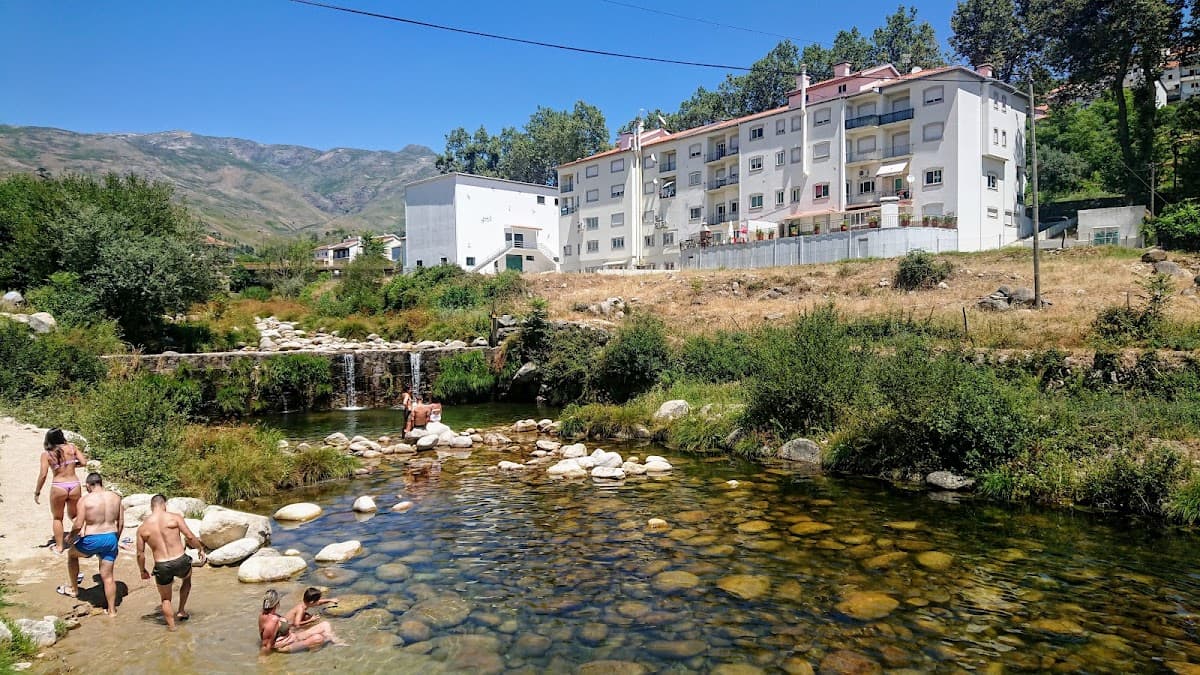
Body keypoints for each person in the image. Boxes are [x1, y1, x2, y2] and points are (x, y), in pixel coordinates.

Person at [137, 494, 206, 630]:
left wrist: (142, 570)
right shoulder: (174, 518)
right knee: (186, 579)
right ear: (164, 505)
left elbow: (140, 554)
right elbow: (190, 536)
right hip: (180, 560)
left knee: (165, 599)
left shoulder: (143, 528)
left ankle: (172, 628)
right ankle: (181, 610)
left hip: (162, 565)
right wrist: (200, 548)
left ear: (152, 507)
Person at [62, 473, 123, 616]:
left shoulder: (85, 500)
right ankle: (112, 611)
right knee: (108, 577)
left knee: (71, 555)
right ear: (101, 483)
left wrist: (71, 537)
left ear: (89, 485)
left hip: (93, 539)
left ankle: (75, 589)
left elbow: (78, 524)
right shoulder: (116, 498)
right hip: (111, 537)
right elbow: (121, 523)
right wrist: (115, 539)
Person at [34, 428, 87, 554]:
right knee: (74, 515)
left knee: (58, 518)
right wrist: (73, 465)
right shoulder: (72, 448)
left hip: (59, 486)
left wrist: (37, 492)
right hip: (74, 484)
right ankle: (84, 536)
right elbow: (84, 462)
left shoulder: (47, 454)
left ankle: (59, 547)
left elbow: (43, 475)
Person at [258, 589, 341, 655]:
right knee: (318, 638)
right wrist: (264, 660)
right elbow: (266, 644)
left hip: (292, 637)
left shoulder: (265, 614)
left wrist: (330, 600)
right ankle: (326, 641)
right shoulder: (273, 619)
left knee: (325, 624)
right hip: (285, 645)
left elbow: (317, 603)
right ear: (277, 603)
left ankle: (334, 640)